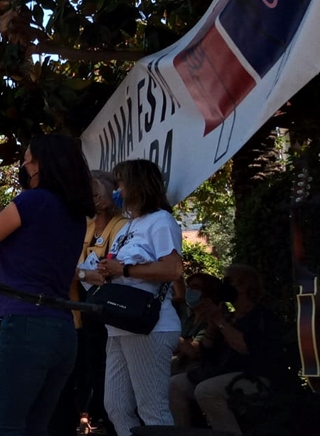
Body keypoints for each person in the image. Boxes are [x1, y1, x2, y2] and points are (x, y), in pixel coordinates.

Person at [0, 134, 95, 436]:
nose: (24, 167)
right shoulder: (72, 210)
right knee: (36, 426)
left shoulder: (33, 200)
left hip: (26, 323)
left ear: (39, 166)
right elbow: (20, 226)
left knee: (8, 426)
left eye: (26, 161)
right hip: (62, 326)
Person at [96, 159, 184, 436]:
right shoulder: (128, 226)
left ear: (137, 185)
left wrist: (124, 269)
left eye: (119, 183)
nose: (115, 190)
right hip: (119, 325)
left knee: (152, 409)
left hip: (149, 326)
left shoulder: (160, 221)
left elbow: (173, 268)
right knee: (116, 407)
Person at [50, 171, 129, 436]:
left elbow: (109, 270)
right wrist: (82, 274)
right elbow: (71, 267)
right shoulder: (84, 225)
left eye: (96, 193)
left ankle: (109, 423)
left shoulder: (122, 226)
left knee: (107, 373)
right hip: (80, 312)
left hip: (109, 311)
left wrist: (79, 273)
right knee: (82, 371)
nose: (91, 198)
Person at [169, 265, 285, 435]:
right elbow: (207, 352)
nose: (225, 286)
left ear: (245, 287)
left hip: (255, 378)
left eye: (229, 282)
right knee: (175, 384)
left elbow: (246, 348)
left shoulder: (261, 316)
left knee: (206, 390)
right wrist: (212, 326)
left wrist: (219, 321)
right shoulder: (230, 316)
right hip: (222, 374)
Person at [170, 273, 222, 376]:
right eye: (189, 287)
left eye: (195, 287)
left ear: (208, 293)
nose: (189, 291)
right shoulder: (189, 317)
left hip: (196, 372)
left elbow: (193, 352)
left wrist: (173, 337)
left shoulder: (212, 320)